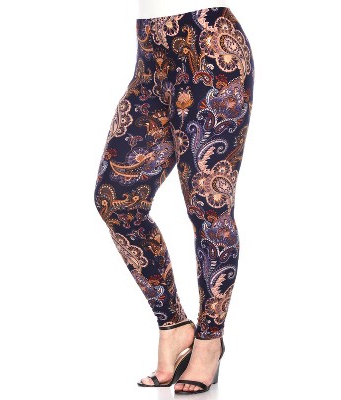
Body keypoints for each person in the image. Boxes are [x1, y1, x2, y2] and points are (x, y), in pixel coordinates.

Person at [93, 0, 254, 394]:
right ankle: (174, 325)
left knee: (208, 207)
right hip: (151, 57)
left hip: (211, 49)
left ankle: (210, 340)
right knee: (116, 201)